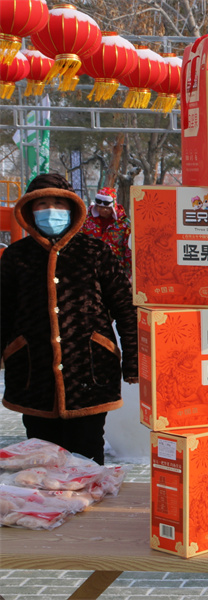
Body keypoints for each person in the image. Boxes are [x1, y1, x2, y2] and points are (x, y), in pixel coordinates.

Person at [1, 173, 138, 465]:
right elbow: (3, 311)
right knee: (43, 459)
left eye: (58, 203)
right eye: (42, 204)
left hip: (90, 373)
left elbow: (126, 308)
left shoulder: (95, 252)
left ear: (72, 209)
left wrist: (133, 361)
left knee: (87, 456)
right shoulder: (16, 256)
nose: (51, 211)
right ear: (29, 210)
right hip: (33, 375)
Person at [81, 186, 133, 280]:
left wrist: (128, 273)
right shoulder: (86, 221)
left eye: (107, 207)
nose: (103, 210)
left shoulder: (124, 224)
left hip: (115, 270)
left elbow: (128, 251)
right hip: (90, 269)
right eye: (99, 207)